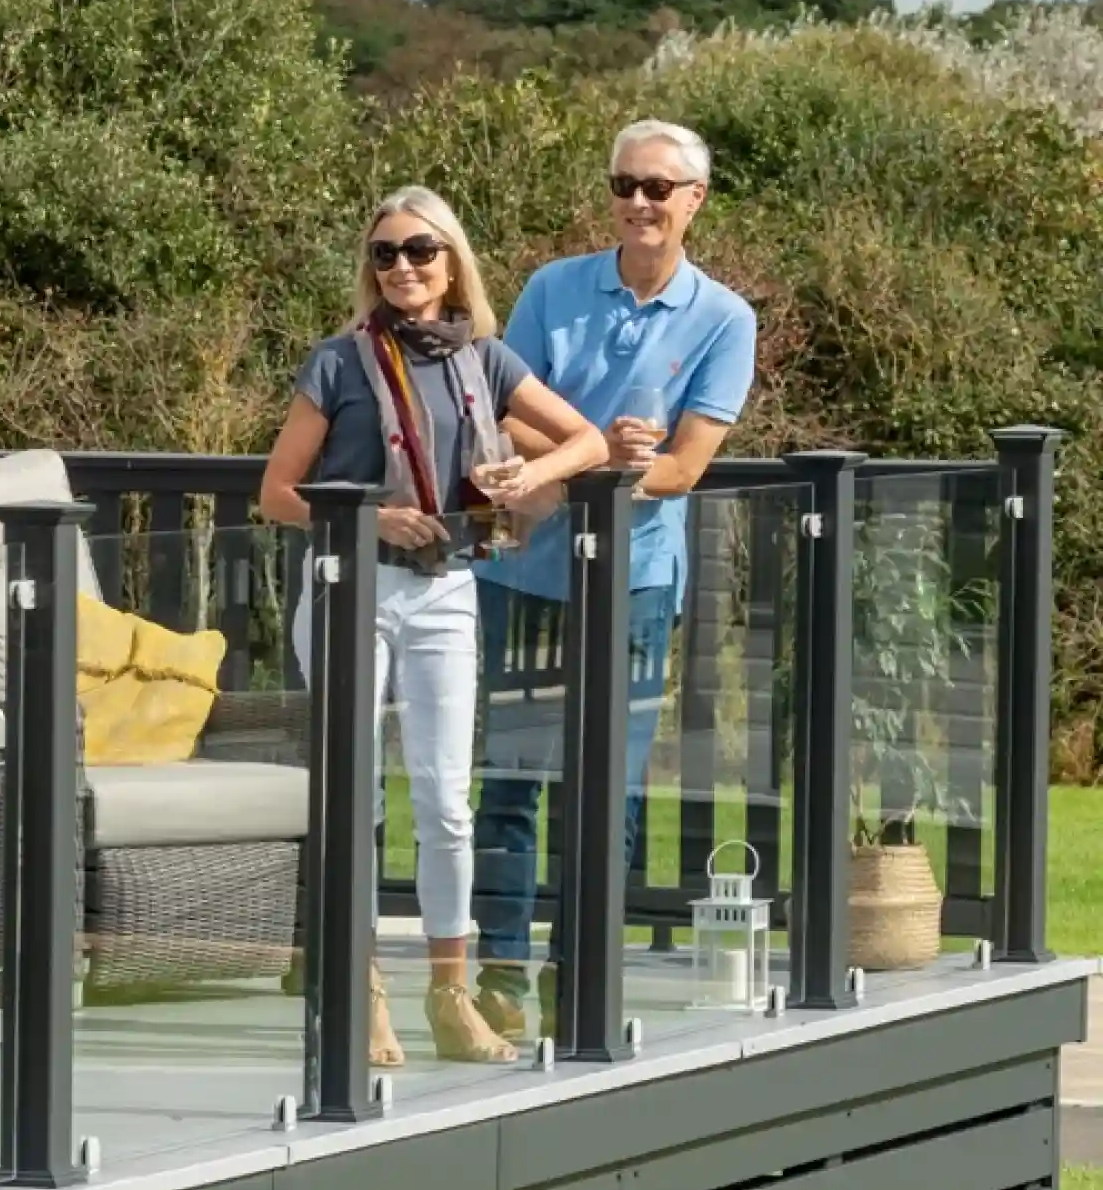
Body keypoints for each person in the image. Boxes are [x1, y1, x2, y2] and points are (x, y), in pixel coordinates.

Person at [260, 188, 607, 1066]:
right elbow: (276, 494)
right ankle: (361, 988)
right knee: (356, 798)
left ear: (452, 264)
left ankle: (450, 994)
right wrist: (371, 519)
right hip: (351, 589)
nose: (402, 267)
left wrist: (526, 479)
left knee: (447, 804)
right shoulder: (339, 361)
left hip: (447, 588)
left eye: (420, 250)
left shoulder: (483, 360)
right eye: (385, 254)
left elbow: (589, 443)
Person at [469, 119, 760, 1043]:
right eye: (624, 185)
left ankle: (582, 977)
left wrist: (616, 461)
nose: (639, 202)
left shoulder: (725, 319)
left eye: (658, 189)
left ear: (694, 201)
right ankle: (499, 979)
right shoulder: (553, 289)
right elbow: (504, 414)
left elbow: (683, 469)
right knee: (509, 781)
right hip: (526, 573)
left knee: (610, 789)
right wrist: (596, 455)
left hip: (634, 582)